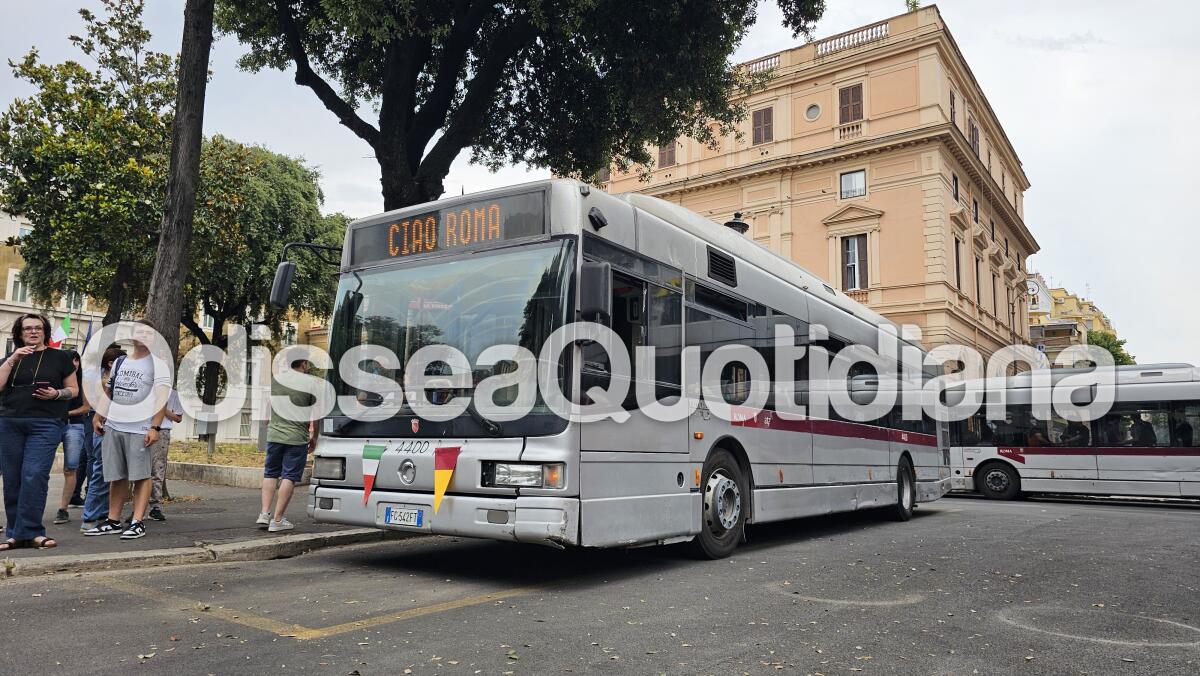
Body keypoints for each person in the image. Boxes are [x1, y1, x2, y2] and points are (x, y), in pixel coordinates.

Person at [84, 321, 170, 540]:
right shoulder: (120, 361)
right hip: (114, 425)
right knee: (117, 475)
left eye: (149, 333)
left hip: (140, 428)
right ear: (131, 336)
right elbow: (110, 392)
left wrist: (154, 427)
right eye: (140, 332)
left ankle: (137, 521)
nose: (144, 336)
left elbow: (161, 399)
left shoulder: (158, 365)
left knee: (141, 476)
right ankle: (113, 520)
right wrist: (99, 414)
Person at [0, 313, 79, 551]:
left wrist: (56, 394)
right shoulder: (10, 358)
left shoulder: (61, 357)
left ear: (45, 331)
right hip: (10, 422)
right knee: (12, 478)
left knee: (34, 474)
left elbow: (73, 390)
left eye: (38, 328)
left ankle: (33, 532)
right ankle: (15, 534)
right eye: (27, 329)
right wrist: (12, 359)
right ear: (20, 334)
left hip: (45, 423)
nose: (33, 332)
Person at [259, 357, 317, 532]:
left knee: (270, 473)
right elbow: (316, 413)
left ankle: (264, 513)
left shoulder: (276, 380)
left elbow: (267, 407)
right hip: (296, 437)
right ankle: (277, 520)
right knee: (289, 476)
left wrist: (267, 423)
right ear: (304, 364)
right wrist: (315, 437)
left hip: (274, 434)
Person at [80, 346, 125, 532]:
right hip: (105, 426)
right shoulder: (105, 381)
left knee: (101, 471)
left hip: (98, 424)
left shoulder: (93, 377)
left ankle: (101, 513)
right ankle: (90, 517)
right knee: (102, 472)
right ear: (111, 364)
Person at [53, 350, 90, 525]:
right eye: (71, 359)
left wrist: (66, 412)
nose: (74, 363)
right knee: (40, 466)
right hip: (53, 424)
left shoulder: (83, 382)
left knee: (70, 467)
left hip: (74, 425)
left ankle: (63, 508)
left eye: (77, 359)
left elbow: (86, 408)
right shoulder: (56, 380)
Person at [147, 387, 182, 521]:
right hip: (143, 429)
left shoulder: (172, 393)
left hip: (162, 431)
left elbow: (178, 418)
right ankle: (138, 508)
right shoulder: (147, 389)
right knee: (141, 470)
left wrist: (162, 409)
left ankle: (155, 507)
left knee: (158, 469)